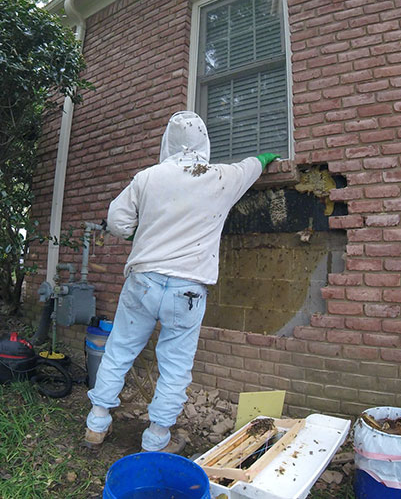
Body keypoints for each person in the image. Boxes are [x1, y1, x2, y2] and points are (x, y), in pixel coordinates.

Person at [84, 111, 280, 453]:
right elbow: (254, 164)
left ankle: (97, 423)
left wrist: (138, 233)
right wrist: (267, 156)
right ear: (204, 141)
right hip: (188, 290)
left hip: (143, 281)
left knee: (119, 351)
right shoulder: (221, 176)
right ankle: (157, 438)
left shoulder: (147, 178)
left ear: (168, 142)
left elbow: (117, 222)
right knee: (174, 365)